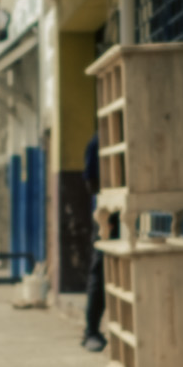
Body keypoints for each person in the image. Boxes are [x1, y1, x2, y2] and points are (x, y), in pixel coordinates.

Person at [81, 131, 107, 353]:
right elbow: (90, 180)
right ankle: (91, 329)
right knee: (100, 270)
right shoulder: (98, 142)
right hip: (106, 215)